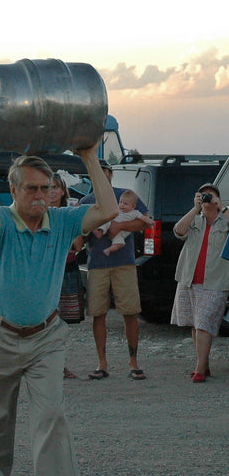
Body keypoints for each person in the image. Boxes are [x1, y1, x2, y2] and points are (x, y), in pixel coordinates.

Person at [0, 133, 118, 476]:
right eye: (31, 189)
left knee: (52, 415)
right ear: (14, 191)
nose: (40, 195)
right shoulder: (3, 221)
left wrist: (89, 157)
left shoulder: (64, 220)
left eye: (45, 188)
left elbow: (109, 209)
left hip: (45, 337)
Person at [80, 160, 151, 381]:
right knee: (98, 314)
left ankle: (134, 362)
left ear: (110, 174)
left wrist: (119, 226)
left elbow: (145, 223)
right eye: (95, 173)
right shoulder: (86, 201)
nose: (100, 177)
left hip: (124, 263)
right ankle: (102, 364)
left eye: (103, 172)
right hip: (97, 265)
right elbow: (81, 234)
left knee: (130, 311)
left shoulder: (126, 196)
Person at [170, 183, 229, 383]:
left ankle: (199, 370)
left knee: (204, 324)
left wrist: (222, 207)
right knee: (195, 325)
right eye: (203, 195)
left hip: (216, 280)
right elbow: (178, 231)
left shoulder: (224, 219)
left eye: (209, 195)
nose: (206, 199)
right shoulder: (195, 219)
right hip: (190, 278)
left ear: (217, 198)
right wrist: (195, 208)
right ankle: (203, 363)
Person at [50, 173, 85, 379]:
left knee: (61, 323)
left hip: (66, 269)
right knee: (42, 319)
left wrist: (75, 217)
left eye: (55, 187)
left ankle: (59, 365)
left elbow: (78, 246)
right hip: (45, 270)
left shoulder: (71, 211)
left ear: (63, 190)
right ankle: (41, 365)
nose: (52, 191)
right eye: (48, 187)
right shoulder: (37, 212)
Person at [93, 189, 154, 256]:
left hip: (121, 234)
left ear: (133, 206)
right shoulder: (117, 210)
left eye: (125, 204)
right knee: (106, 222)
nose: (122, 205)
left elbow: (144, 218)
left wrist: (150, 222)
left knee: (120, 243)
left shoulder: (135, 213)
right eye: (120, 202)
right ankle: (100, 231)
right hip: (111, 224)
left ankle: (109, 250)